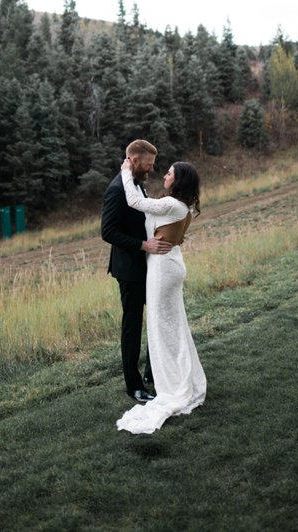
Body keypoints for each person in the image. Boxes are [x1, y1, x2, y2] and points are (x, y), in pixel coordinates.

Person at [116, 157, 207, 434]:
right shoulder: (185, 208)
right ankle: (178, 376)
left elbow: (135, 202)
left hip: (162, 268)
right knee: (173, 325)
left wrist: (125, 173)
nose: (164, 176)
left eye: (169, 173)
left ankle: (171, 384)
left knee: (160, 326)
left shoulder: (170, 204)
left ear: (178, 181)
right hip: (171, 264)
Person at [101, 139, 172, 402]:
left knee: (155, 317)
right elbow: (107, 232)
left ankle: (154, 375)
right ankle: (134, 386)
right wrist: (143, 244)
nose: (151, 170)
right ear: (133, 161)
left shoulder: (136, 184)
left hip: (147, 266)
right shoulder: (117, 189)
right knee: (132, 326)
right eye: (148, 165)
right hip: (129, 270)